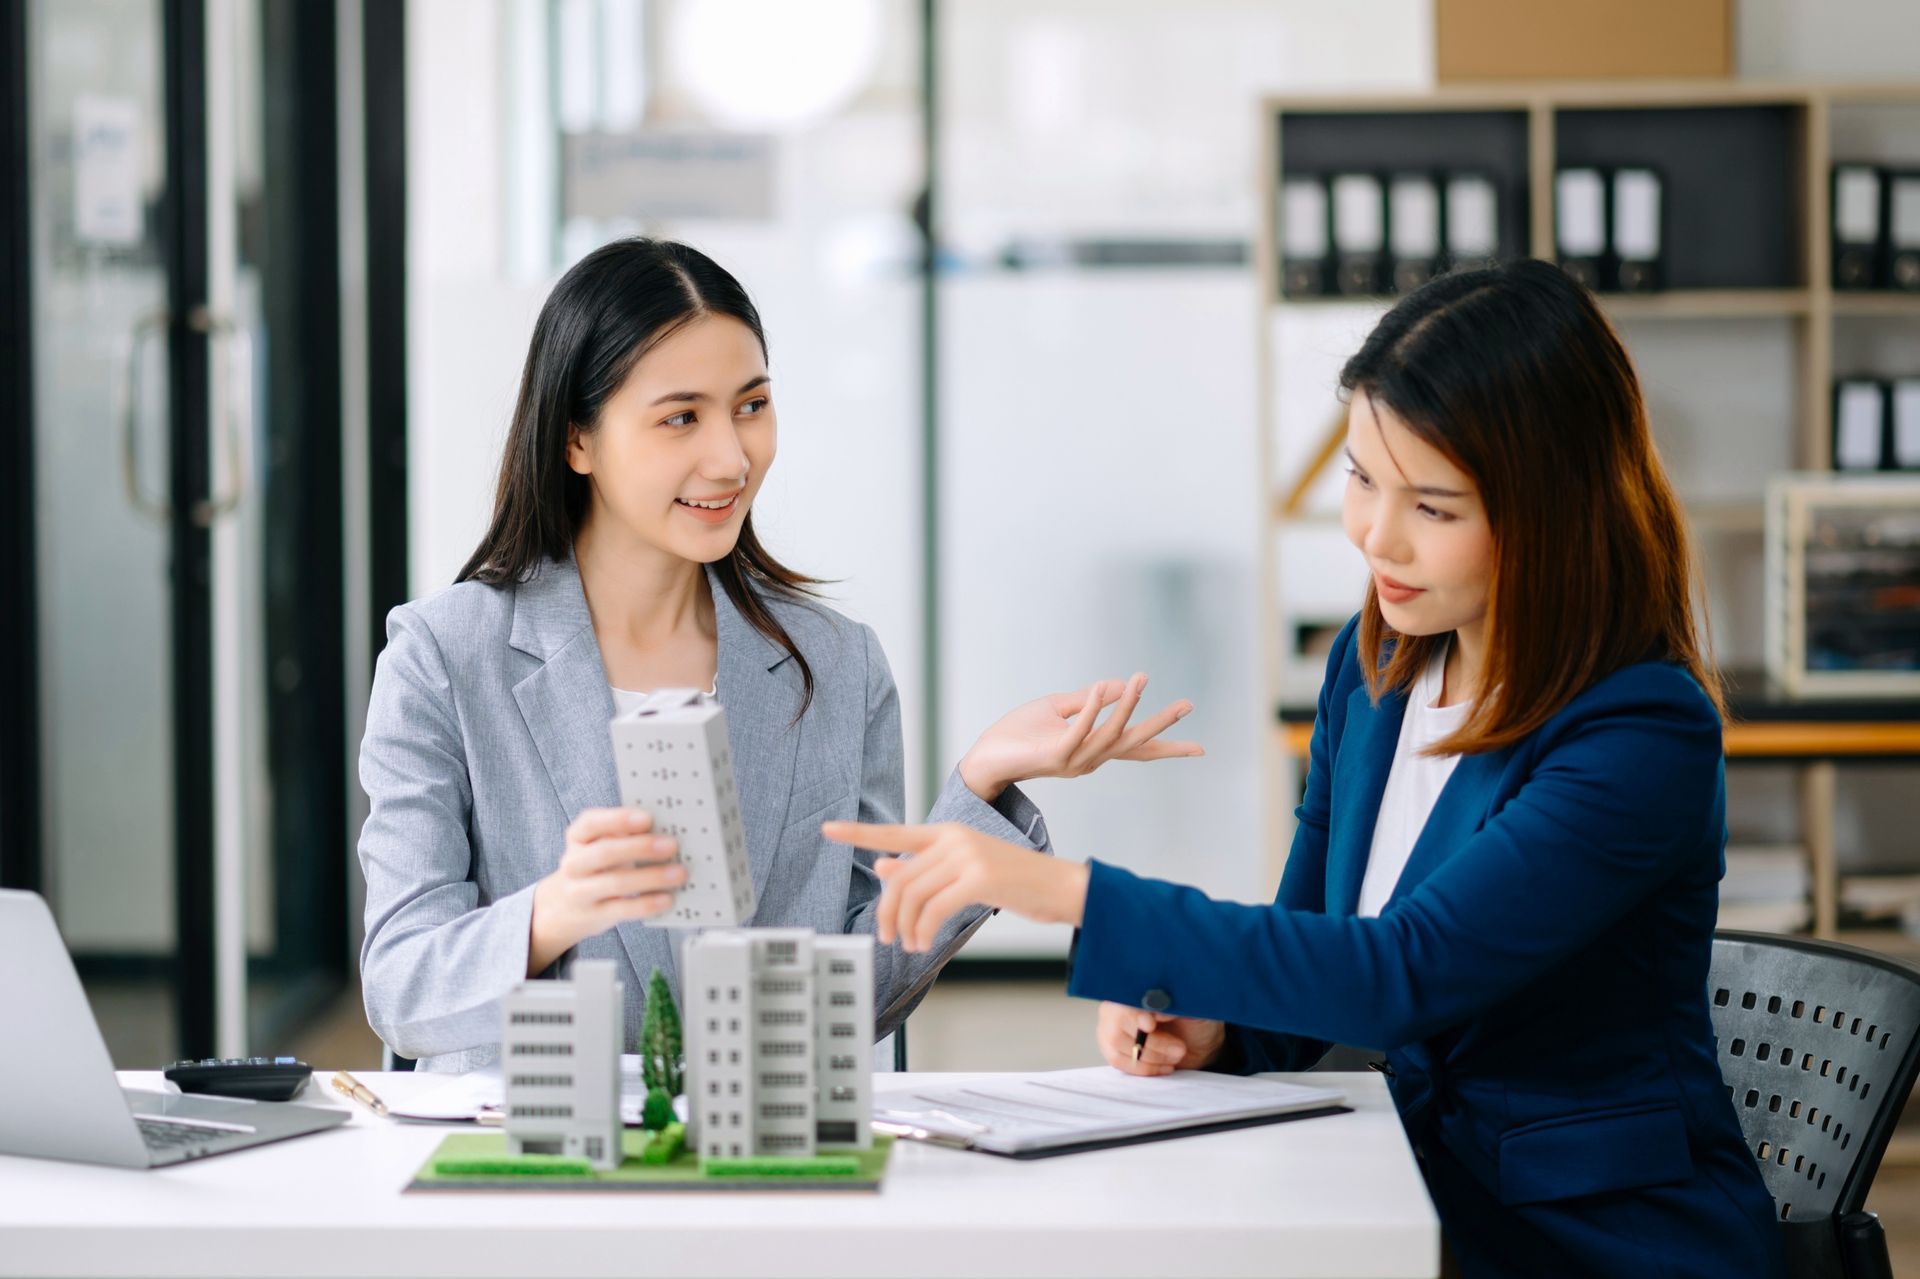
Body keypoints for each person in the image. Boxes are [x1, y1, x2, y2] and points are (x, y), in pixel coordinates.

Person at [825, 260, 1786, 1277]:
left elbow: (1402, 974)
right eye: (1364, 476)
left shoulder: (1640, 731)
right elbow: (1320, 953)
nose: (1376, 534)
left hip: (1590, 1242)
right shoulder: (1372, 671)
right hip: (1407, 1193)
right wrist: (1212, 1027)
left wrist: (1057, 889)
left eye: (1434, 506)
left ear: (1550, 514)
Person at [357, 237, 1200, 1072]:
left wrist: (977, 787)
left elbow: (857, 998)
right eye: (681, 416)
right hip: (532, 1177)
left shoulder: (836, 666)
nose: (731, 456)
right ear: (578, 438)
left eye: (751, 405)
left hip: (766, 1169)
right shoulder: (443, 656)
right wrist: (555, 909)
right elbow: (400, 985)